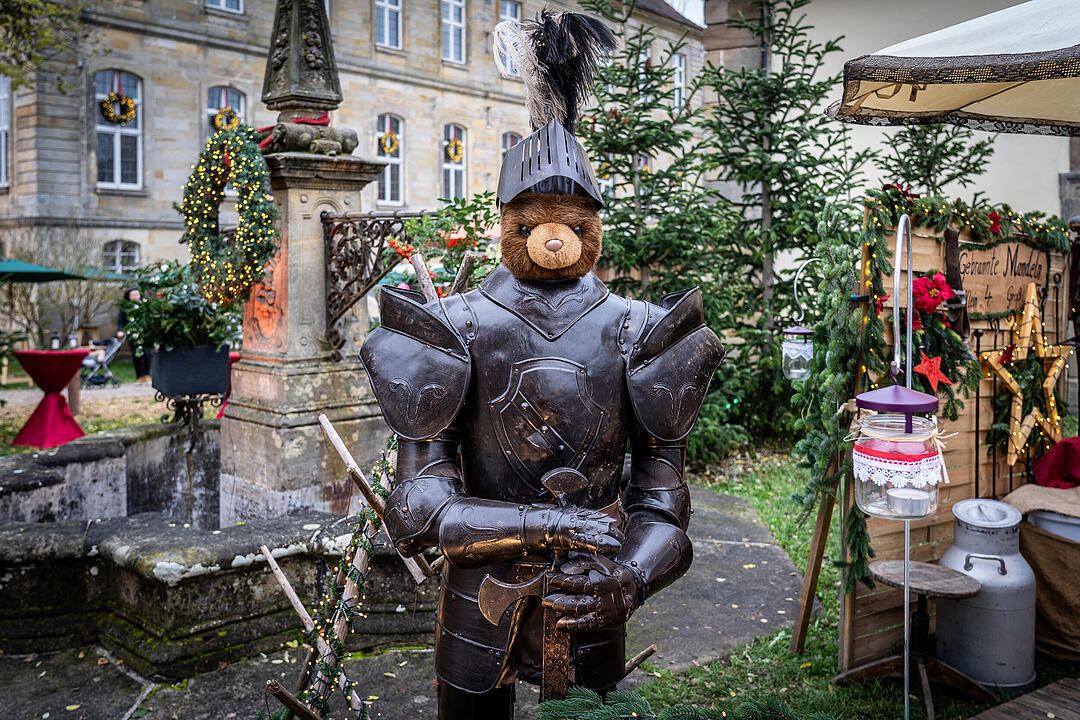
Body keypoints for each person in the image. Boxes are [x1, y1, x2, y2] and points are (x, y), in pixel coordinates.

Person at [118, 288, 151, 383]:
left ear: (140, 295)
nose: (135, 297)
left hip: (145, 334)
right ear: (129, 297)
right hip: (132, 334)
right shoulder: (125, 307)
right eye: (132, 295)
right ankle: (139, 376)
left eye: (136, 294)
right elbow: (121, 320)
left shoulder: (145, 305)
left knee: (147, 354)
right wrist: (121, 330)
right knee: (136, 355)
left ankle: (147, 375)